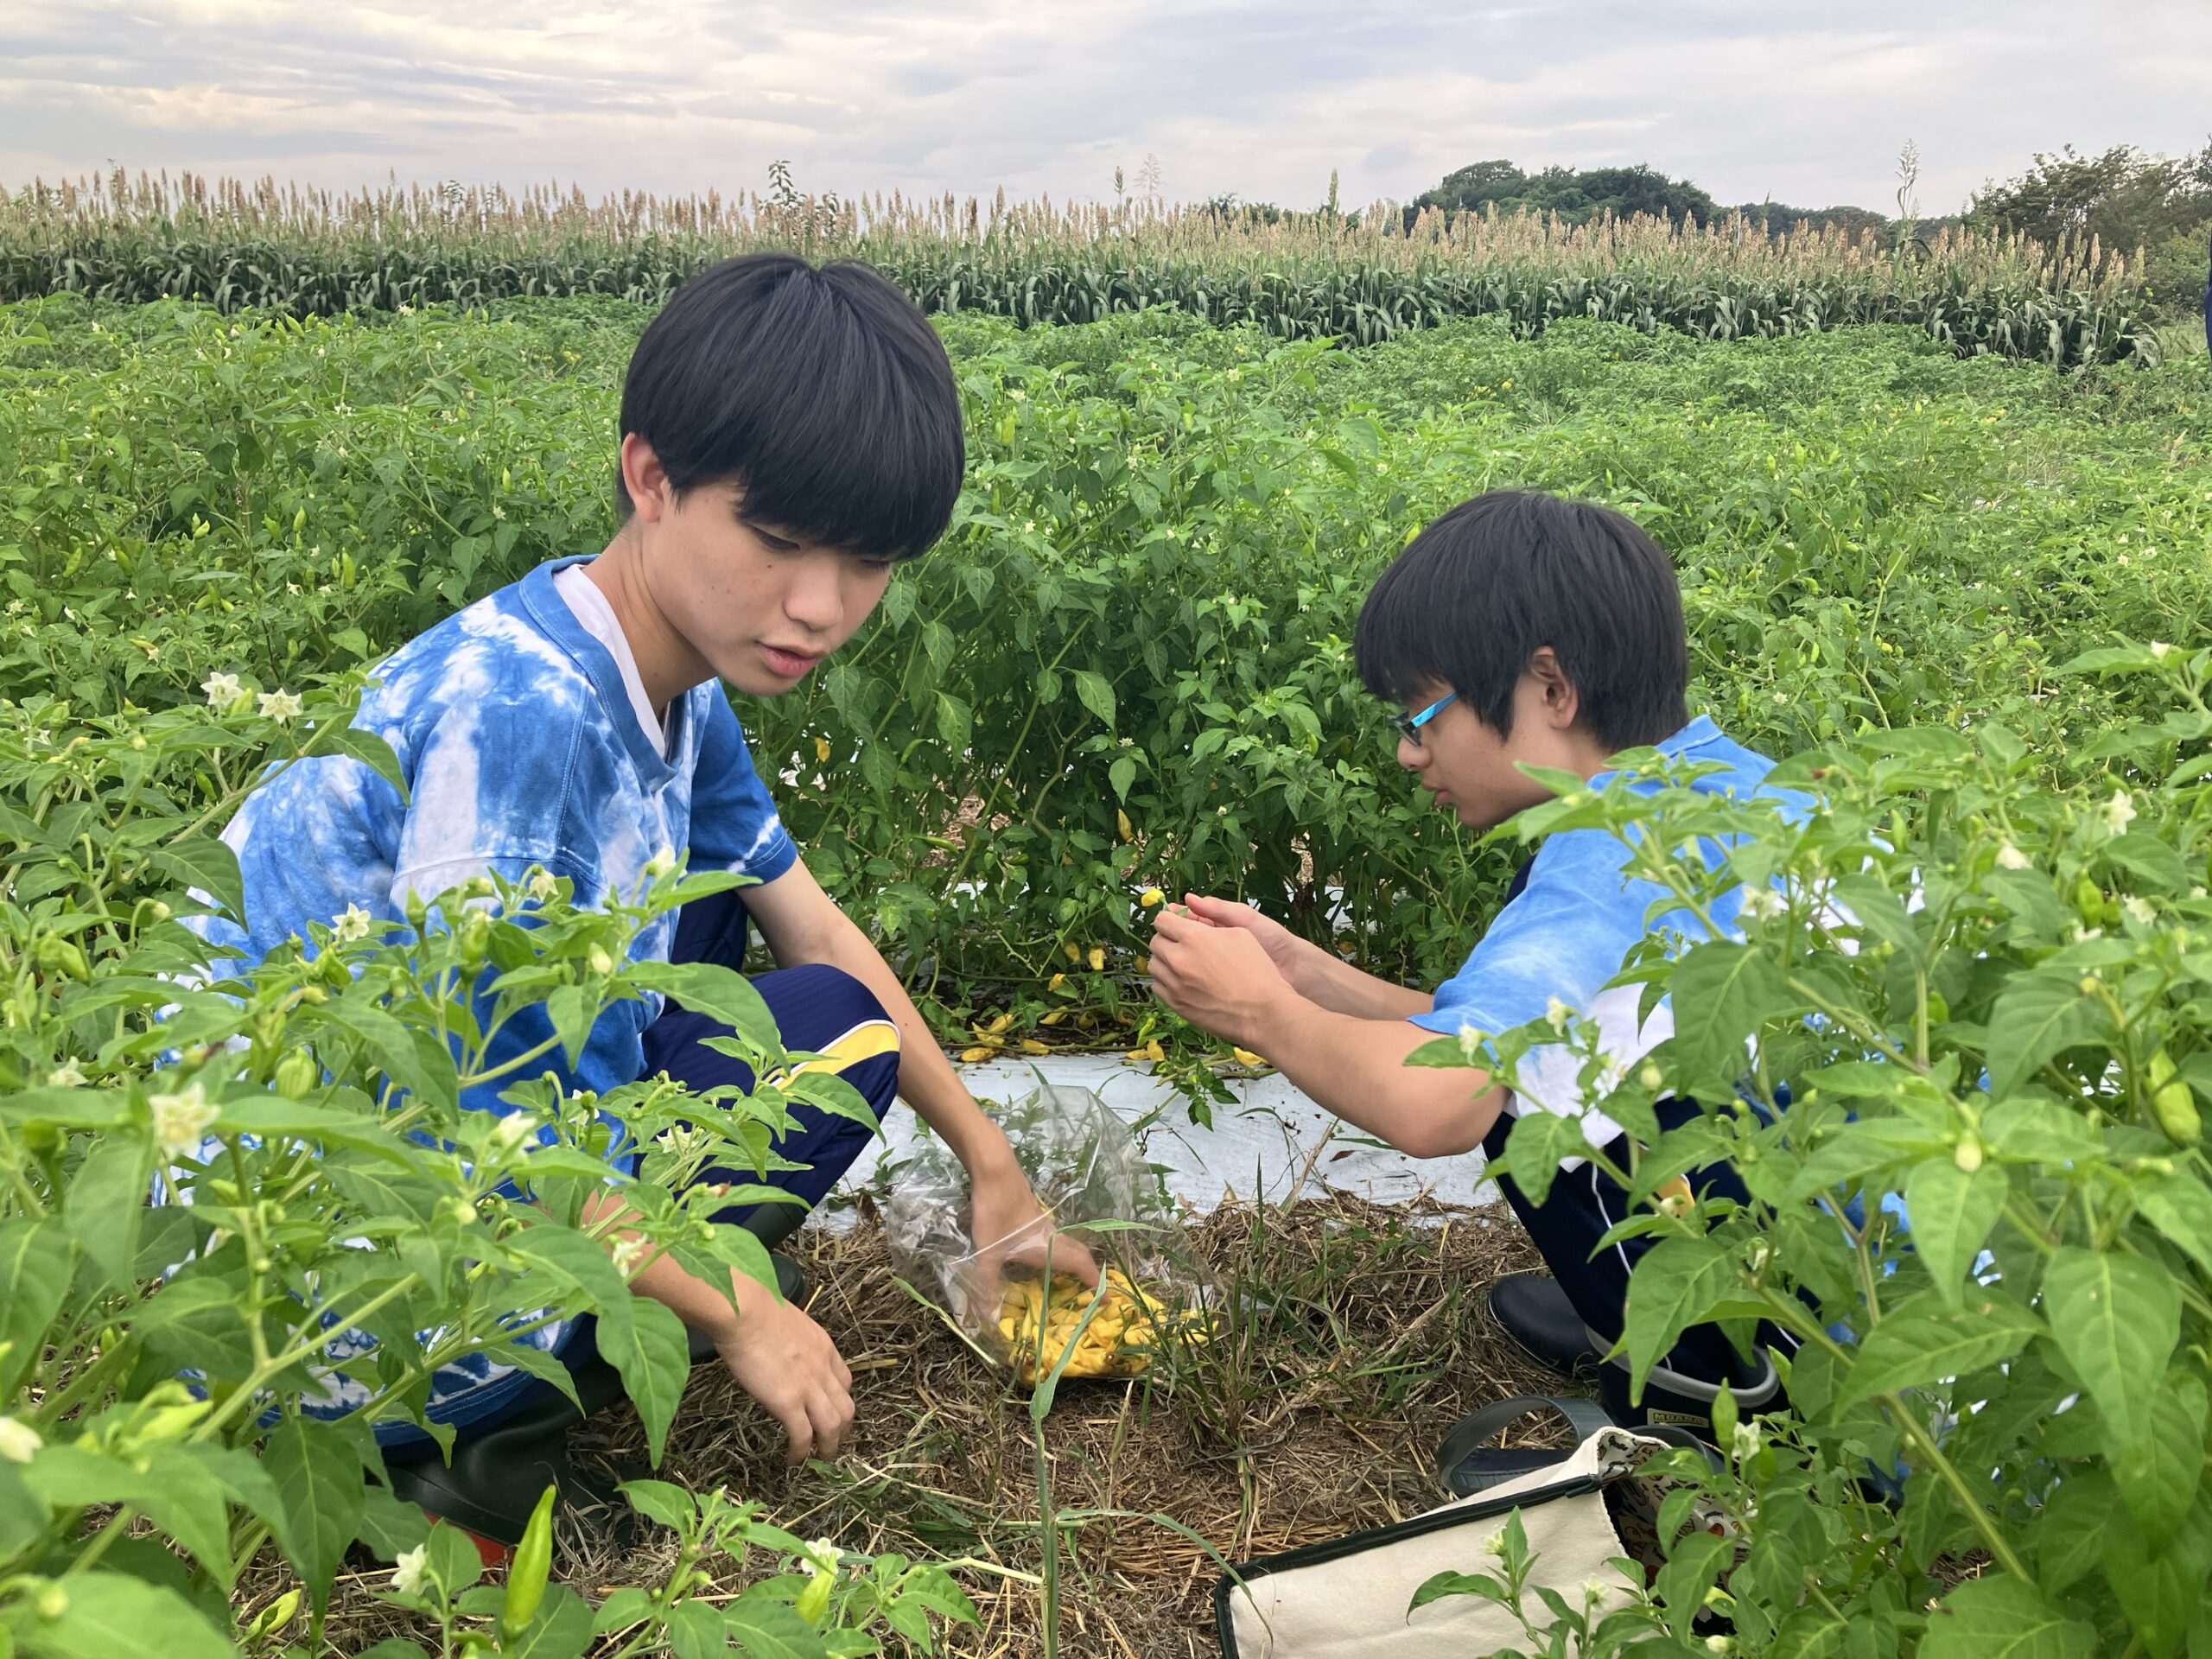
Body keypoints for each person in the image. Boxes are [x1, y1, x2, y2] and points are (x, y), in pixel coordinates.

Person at [194, 252, 1090, 1535]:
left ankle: (611, 1297)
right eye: (777, 542)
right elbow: (493, 1138)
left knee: (754, 939)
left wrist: (993, 1172)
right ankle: (469, 1445)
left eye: (869, 561)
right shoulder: (527, 730)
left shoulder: (650, 656)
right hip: (325, 1309)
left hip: (327, 1186)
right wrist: (744, 1311)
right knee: (830, 1040)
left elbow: (811, 921)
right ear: (649, 475)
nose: (822, 607)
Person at [1148, 489, 1784, 1431]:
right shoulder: (1730, 786)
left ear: (1550, 688)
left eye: (1422, 715)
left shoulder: (1605, 869)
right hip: (1900, 1299)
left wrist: (1257, 1013)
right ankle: (1646, 1307)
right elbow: (1550, 1026)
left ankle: (1700, 1381)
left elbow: (1437, 1100)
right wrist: (1303, 975)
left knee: (1514, 1098)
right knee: (1540, 1060)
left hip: (1844, 1382)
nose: (1410, 753)